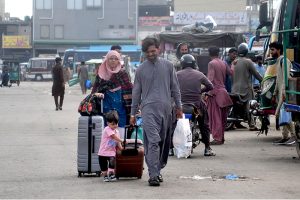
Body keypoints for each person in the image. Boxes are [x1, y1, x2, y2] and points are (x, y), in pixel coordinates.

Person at [130, 37, 183, 186]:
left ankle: (157, 169)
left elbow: (175, 88)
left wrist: (179, 107)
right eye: (148, 52)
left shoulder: (168, 66)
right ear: (145, 53)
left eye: (153, 51)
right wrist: (133, 113)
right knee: (153, 141)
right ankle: (153, 175)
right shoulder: (140, 70)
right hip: (148, 110)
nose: (151, 54)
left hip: (166, 109)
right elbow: (136, 93)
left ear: (158, 49)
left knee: (164, 142)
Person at [176, 54, 216, 156]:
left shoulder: (176, 74)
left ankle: (171, 149)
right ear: (194, 64)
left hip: (180, 105)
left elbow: (170, 88)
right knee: (204, 125)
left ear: (182, 64)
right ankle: (207, 148)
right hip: (197, 106)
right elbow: (210, 86)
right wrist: (200, 91)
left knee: (172, 124)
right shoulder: (199, 74)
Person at [91, 50, 133, 139]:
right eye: (111, 58)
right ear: (107, 60)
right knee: (108, 137)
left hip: (121, 109)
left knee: (120, 138)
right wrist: (97, 94)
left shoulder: (123, 73)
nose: (113, 60)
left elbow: (129, 89)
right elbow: (95, 90)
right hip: (106, 108)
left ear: (118, 61)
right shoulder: (101, 73)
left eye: (115, 59)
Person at [231, 43, 263, 131]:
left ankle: (237, 122)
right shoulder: (248, 61)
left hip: (234, 89)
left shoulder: (234, 62)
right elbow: (256, 74)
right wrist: (263, 80)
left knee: (236, 106)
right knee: (250, 105)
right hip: (245, 89)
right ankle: (252, 124)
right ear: (246, 52)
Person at [270, 42, 296, 145]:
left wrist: (284, 92)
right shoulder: (279, 61)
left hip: (284, 93)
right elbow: (278, 79)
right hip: (279, 93)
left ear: (279, 50)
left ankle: (293, 136)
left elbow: (286, 77)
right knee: (282, 115)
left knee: (285, 114)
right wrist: (274, 93)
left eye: (273, 50)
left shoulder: (285, 61)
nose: (271, 52)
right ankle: (285, 137)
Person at [207, 47, 233, 145]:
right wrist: (233, 65)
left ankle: (217, 138)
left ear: (209, 54)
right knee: (222, 117)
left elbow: (210, 79)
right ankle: (221, 137)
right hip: (224, 92)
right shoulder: (223, 63)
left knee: (215, 116)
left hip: (215, 93)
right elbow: (231, 73)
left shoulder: (211, 63)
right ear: (218, 53)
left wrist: (205, 91)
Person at [98, 110, 123, 182]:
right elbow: (113, 137)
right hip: (103, 152)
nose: (115, 125)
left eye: (116, 123)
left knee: (112, 163)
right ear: (108, 123)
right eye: (113, 124)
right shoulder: (107, 129)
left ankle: (111, 175)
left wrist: (121, 148)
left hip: (111, 152)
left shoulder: (117, 131)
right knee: (103, 166)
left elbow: (117, 141)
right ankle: (105, 175)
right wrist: (121, 140)